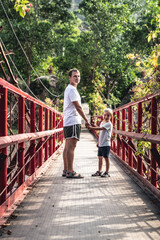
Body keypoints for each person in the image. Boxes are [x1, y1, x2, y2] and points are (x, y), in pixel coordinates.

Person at [63, 68, 90, 178]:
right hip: (73, 121)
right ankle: (71, 171)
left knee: (67, 147)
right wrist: (86, 120)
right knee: (71, 147)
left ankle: (66, 170)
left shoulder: (69, 89)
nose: (77, 78)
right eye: (74, 76)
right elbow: (78, 106)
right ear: (69, 77)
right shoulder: (72, 90)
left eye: (78, 76)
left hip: (68, 121)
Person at [88, 108, 113, 177]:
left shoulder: (109, 124)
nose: (106, 117)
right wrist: (98, 141)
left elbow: (101, 129)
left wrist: (91, 128)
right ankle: (99, 171)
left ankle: (107, 172)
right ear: (102, 115)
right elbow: (101, 133)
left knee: (106, 157)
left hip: (106, 144)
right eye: (105, 115)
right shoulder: (102, 122)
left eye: (108, 115)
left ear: (111, 116)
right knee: (100, 157)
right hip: (101, 143)